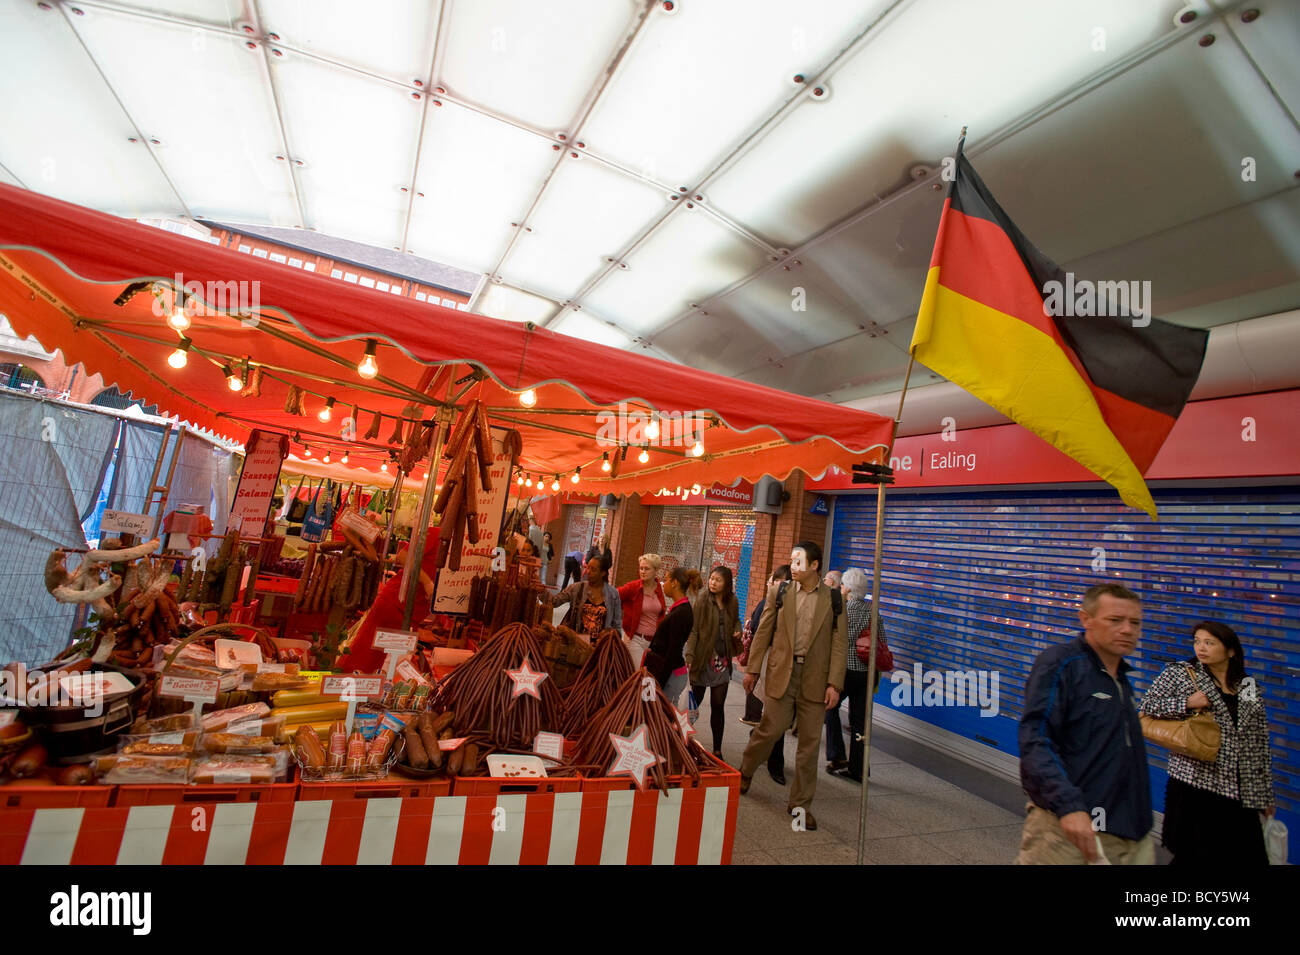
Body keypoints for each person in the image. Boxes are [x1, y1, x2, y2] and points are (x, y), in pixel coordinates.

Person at [1016, 583, 1153, 864]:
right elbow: (1035, 739)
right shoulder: (1061, 664)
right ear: (1086, 619)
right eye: (1115, 620)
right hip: (1069, 832)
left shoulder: (1121, 679)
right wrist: (1069, 806)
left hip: (1130, 835)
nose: (1128, 630)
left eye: (1135, 622)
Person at [1139, 620, 1275, 865]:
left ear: (1231, 650)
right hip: (1193, 785)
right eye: (1197, 642)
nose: (1200, 648)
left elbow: (1257, 743)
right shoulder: (1181, 673)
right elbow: (1148, 706)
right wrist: (1187, 703)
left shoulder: (1246, 686)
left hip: (1236, 790)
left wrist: (1262, 794)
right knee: (1193, 857)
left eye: (1209, 643)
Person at [739, 541, 848, 831]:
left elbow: (840, 645)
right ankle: (746, 770)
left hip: (814, 680)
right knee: (770, 731)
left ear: (814, 565)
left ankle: (800, 805)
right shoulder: (781, 592)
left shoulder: (835, 601)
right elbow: (763, 633)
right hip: (781, 674)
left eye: (799, 561)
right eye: (792, 560)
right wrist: (752, 670)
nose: (794, 566)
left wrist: (834, 683)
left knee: (809, 747)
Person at [337, 531, 439, 673]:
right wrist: (427, 582)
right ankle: (341, 690)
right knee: (363, 658)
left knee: (389, 669)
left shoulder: (464, 551)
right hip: (394, 604)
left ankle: (374, 693)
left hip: (413, 616)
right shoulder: (436, 535)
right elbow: (403, 556)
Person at [825, 568, 883, 782]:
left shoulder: (843, 610)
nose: (840, 588)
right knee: (859, 721)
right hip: (866, 674)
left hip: (845, 671)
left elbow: (837, 639)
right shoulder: (873, 613)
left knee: (830, 708)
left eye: (842, 585)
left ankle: (837, 754)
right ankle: (858, 768)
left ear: (847, 588)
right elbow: (882, 641)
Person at [739, 564, 793, 786]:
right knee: (772, 715)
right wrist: (753, 669)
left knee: (773, 718)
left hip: (786, 669)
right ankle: (772, 763)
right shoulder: (768, 603)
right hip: (770, 666)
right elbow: (760, 634)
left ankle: (762, 749)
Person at [683, 565, 742, 759]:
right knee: (693, 705)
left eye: (718, 580)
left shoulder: (732, 601)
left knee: (718, 705)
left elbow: (736, 620)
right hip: (702, 658)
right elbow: (693, 630)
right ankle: (678, 740)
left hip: (722, 660)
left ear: (726, 584)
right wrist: (689, 656)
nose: (712, 582)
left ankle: (717, 750)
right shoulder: (702, 599)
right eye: (711, 578)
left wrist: (737, 630)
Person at [644, 566, 694, 704]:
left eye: (666, 580)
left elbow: (673, 651)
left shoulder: (681, 614)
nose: (663, 584)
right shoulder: (680, 609)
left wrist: (658, 683)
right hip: (666, 672)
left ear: (675, 583)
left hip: (669, 676)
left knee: (664, 714)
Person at [553, 554, 622, 638]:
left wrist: (611, 635)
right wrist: (541, 591)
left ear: (603, 573)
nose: (588, 572)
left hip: (599, 646)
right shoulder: (577, 588)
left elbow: (617, 624)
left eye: (593, 569)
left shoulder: (613, 594)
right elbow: (555, 601)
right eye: (587, 567)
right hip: (575, 642)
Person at [618, 553, 666, 669]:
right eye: (641, 568)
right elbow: (613, 597)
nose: (643, 571)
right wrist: (622, 623)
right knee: (637, 676)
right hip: (636, 640)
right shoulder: (633, 587)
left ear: (656, 570)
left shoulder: (661, 588)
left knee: (649, 677)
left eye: (647, 569)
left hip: (654, 642)